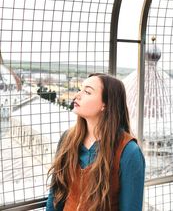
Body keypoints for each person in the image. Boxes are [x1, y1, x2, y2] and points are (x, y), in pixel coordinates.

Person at [46, 73, 145, 211]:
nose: (77, 96)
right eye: (80, 89)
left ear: (105, 104)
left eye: (87, 92)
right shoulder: (67, 138)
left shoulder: (129, 152)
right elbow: (55, 196)